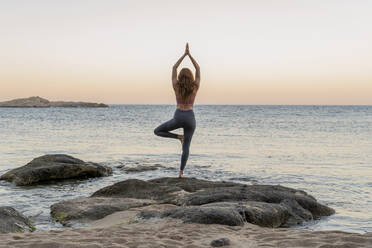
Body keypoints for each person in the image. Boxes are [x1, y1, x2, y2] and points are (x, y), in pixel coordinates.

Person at [154, 43, 200, 178]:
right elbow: (198, 68)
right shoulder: (195, 86)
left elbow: (174, 67)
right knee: (186, 147)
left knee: (157, 131)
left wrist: (184, 55)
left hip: (179, 115)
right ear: (191, 76)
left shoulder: (176, 86)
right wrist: (190, 55)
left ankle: (178, 137)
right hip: (190, 118)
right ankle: (181, 173)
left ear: (180, 76)